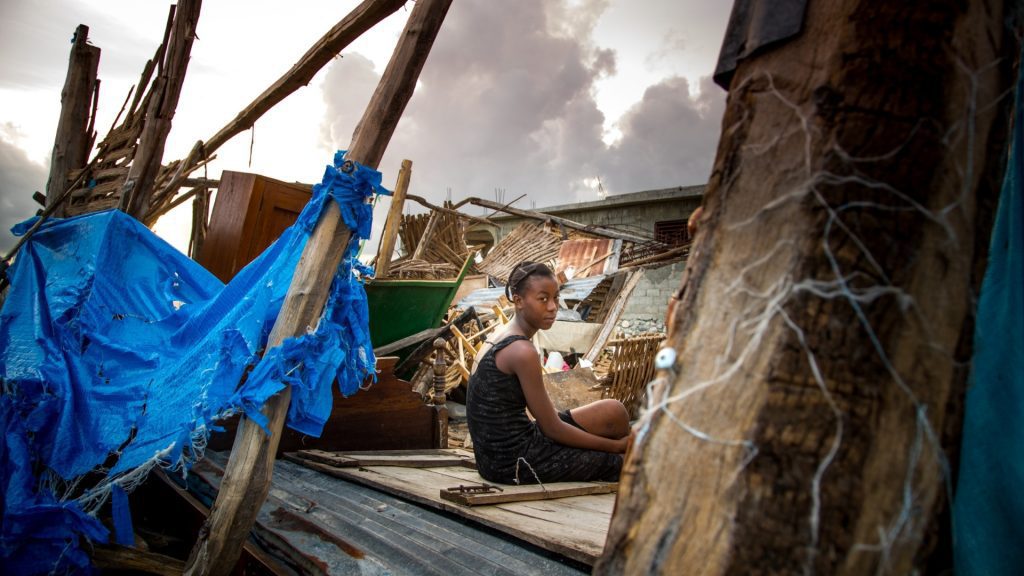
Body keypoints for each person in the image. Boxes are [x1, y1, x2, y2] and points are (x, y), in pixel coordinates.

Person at [466, 261, 632, 485]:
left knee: (614, 411)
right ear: (519, 301)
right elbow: (552, 429)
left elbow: (548, 420)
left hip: (512, 447)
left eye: (555, 298)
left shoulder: (502, 333)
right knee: (622, 462)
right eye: (543, 299)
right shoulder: (522, 351)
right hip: (511, 462)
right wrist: (615, 446)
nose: (553, 306)